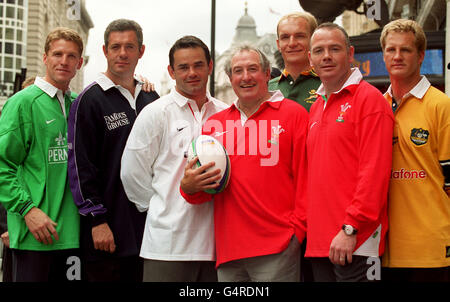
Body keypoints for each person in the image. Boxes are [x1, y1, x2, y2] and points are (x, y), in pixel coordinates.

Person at [180, 44, 309, 282]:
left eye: (253, 69)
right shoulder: (214, 125)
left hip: (278, 248)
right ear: (229, 78)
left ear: (267, 73)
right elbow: (205, 191)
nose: (246, 77)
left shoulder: (294, 114)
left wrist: (296, 234)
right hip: (229, 252)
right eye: (238, 71)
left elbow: (307, 178)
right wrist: (188, 187)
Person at [120, 35, 227, 282]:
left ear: (210, 66)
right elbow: (131, 173)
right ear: (171, 71)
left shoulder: (225, 113)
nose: (192, 73)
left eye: (199, 65)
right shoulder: (155, 112)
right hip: (166, 247)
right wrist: (163, 206)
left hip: (217, 247)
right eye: (183, 67)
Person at [67, 19, 159, 282]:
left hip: (148, 231)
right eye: (116, 46)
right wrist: (96, 220)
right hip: (107, 232)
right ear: (105, 50)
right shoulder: (89, 99)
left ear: (141, 51)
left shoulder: (151, 98)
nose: (122, 53)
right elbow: (80, 166)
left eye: (130, 46)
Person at [303, 23, 394, 282]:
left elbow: (375, 171)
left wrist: (351, 227)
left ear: (350, 53)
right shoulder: (316, 107)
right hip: (321, 242)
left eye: (335, 49)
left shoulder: (370, 100)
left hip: (357, 240)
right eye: (319, 51)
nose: (327, 56)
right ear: (311, 59)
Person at [0, 27, 84, 282]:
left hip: (74, 238)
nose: (64, 61)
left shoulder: (79, 104)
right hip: (34, 236)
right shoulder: (23, 103)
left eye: (71, 56)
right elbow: (3, 165)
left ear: (80, 63)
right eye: (58, 54)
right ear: (45, 58)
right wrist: (27, 210)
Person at [380, 19, 450, 282]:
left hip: (430, 249)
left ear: (421, 55)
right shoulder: (377, 106)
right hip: (383, 249)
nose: (397, 56)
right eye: (391, 50)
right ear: (383, 54)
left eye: (406, 50)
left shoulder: (440, 105)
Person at [268, 12, 321, 112]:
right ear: (278, 44)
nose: (292, 43)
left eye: (300, 36)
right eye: (285, 37)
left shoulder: (328, 85)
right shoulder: (266, 88)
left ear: (314, 40)